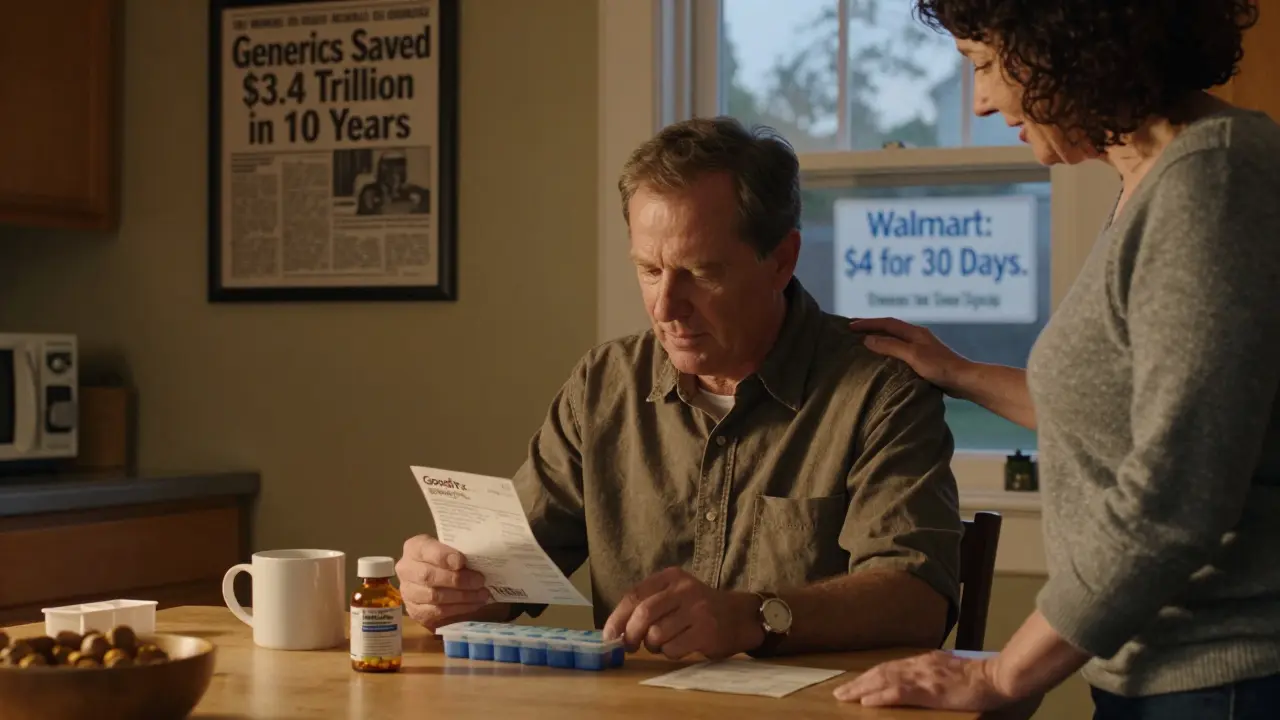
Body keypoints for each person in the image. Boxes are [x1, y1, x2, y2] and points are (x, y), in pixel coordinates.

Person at [831, 0, 1280, 717]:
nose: (978, 102)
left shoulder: (1211, 180)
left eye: (982, 64)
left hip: (1222, 680)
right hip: (1155, 674)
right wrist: (961, 374)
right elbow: (1136, 419)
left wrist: (1003, 674)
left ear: (1066, 41)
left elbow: (1177, 493)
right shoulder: (1152, 181)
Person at [396, 116, 964, 660]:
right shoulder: (604, 385)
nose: (665, 307)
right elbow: (505, 579)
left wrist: (753, 616)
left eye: (702, 272)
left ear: (781, 261)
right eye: (649, 270)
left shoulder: (879, 390)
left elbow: (918, 599)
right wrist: (449, 586)